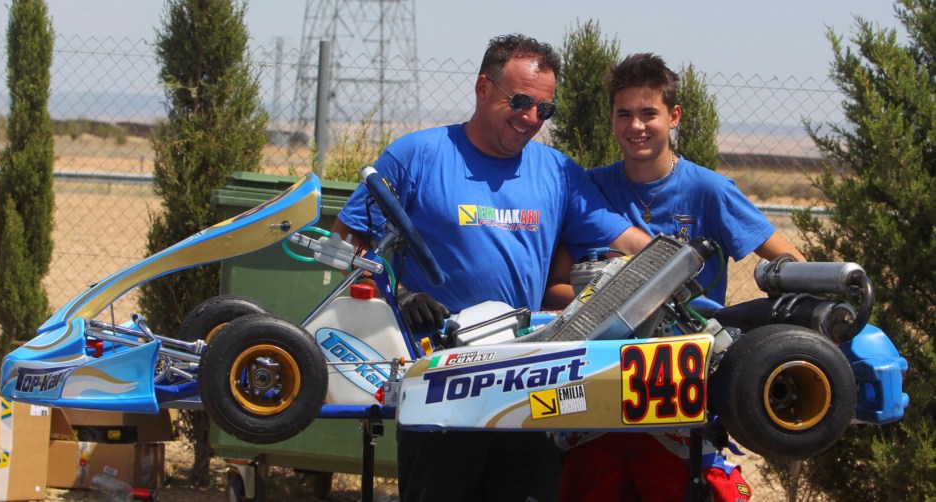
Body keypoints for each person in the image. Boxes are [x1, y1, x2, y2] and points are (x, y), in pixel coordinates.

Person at [332, 35, 651, 502]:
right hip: (439, 381)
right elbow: (348, 242)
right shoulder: (416, 156)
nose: (531, 118)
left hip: (529, 382)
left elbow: (624, 238)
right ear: (483, 88)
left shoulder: (559, 172)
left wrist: (677, 262)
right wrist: (397, 297)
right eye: (520, 101)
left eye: (544, 109)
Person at [551, 53, 805, 502]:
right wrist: (603, 310)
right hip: (598, 388)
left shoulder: (708, 190)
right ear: (611, 120)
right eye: (624, 114)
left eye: (648, 113)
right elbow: (555, 288)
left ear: (674, 116)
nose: (636, 126)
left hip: (682, 392)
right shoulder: (590, 189)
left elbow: (791, 261)